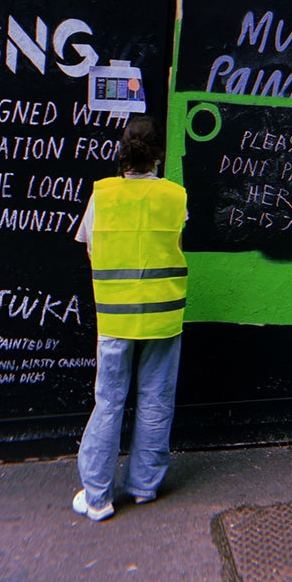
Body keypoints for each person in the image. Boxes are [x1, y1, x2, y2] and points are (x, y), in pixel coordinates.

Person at [72, 115, 187, 522]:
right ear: (159, 155)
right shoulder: (176, 196)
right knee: (156, 398)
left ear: (123, 150)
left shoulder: (102, 195)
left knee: (109, 402)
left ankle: (98, 497)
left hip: (116, 316)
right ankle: (144, 486)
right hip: (163, 314)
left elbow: (88, 246)